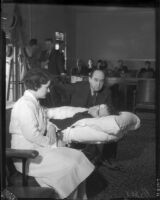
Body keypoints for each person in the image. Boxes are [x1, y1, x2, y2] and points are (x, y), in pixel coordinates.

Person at [9, 68, 94, 199]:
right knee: (70, 165)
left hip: (39, 149)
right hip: (27, 156)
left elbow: (45, 119)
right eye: (47, 87)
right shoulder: (24, 105)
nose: (49, 91)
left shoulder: (35, 103)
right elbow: (32, 135)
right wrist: (53, 144)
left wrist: (50, 127)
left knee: (78, 156)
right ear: (36, 86)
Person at [63, 68, 122, 170]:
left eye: (101, 81)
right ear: (89, 79)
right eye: (95, 80)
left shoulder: (107, 92)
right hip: (79, 118)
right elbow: (60, 89)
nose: (99, 84)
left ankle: (107, 158)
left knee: (113, 124)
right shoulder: (79, 87)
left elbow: (110, 110)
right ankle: (88, 156)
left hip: (96, 118)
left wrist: (100, 116)